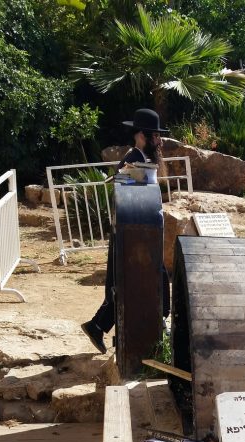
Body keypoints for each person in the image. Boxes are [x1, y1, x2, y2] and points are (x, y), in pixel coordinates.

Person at [81, 108, 170, 354]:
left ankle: (98, 326)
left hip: (145, 232)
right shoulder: (132, 158)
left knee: (145, 280)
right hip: (132, 234)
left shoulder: (143, 157)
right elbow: (122, 195)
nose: (159, 140)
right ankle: (102, 327)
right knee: (131, 282)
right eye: (155, 135)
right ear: (141, 135)